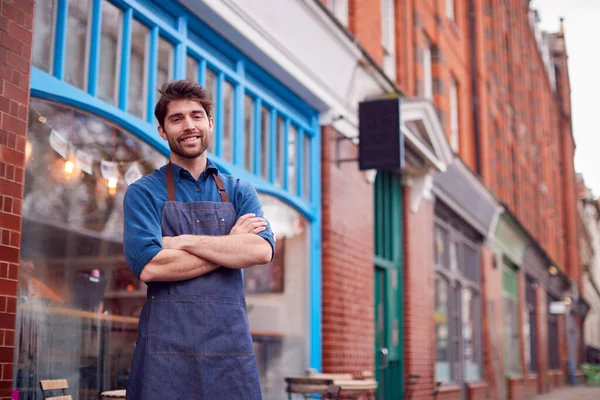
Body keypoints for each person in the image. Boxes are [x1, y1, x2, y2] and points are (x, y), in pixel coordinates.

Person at [123, 80, 275, 399]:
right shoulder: (143, 193)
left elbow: (260, 250)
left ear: (210, 123)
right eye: (176, 119)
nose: (188, 125)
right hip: (165, 354)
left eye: (196, 116)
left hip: (229, 353)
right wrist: (229, 244)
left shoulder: (239, 191)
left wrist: (178, 242)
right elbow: (151, 267)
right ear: (163, 130)